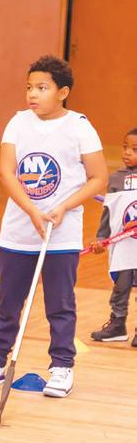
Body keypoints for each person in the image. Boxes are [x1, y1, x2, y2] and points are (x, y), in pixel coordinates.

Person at [0, 55, 107, 398]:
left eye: (42, 88)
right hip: (18, 231)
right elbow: (6, 173)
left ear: (63, 92)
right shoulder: (18, 123)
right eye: (29, 87)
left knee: (60, 304)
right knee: (8, 302)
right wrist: (31, 210)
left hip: (61, 233)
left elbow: (98, 178)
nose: (32, 94)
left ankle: (61, 367)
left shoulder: (79, 127)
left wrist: (63, 207)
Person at [89, 128, 137, 343]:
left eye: (134, 149)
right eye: (125, 147)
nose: (127, 152)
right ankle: (118, 324)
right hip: (123, 246)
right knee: (121, 285)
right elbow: (108, 213)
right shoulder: (116, 179)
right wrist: (102, 239)